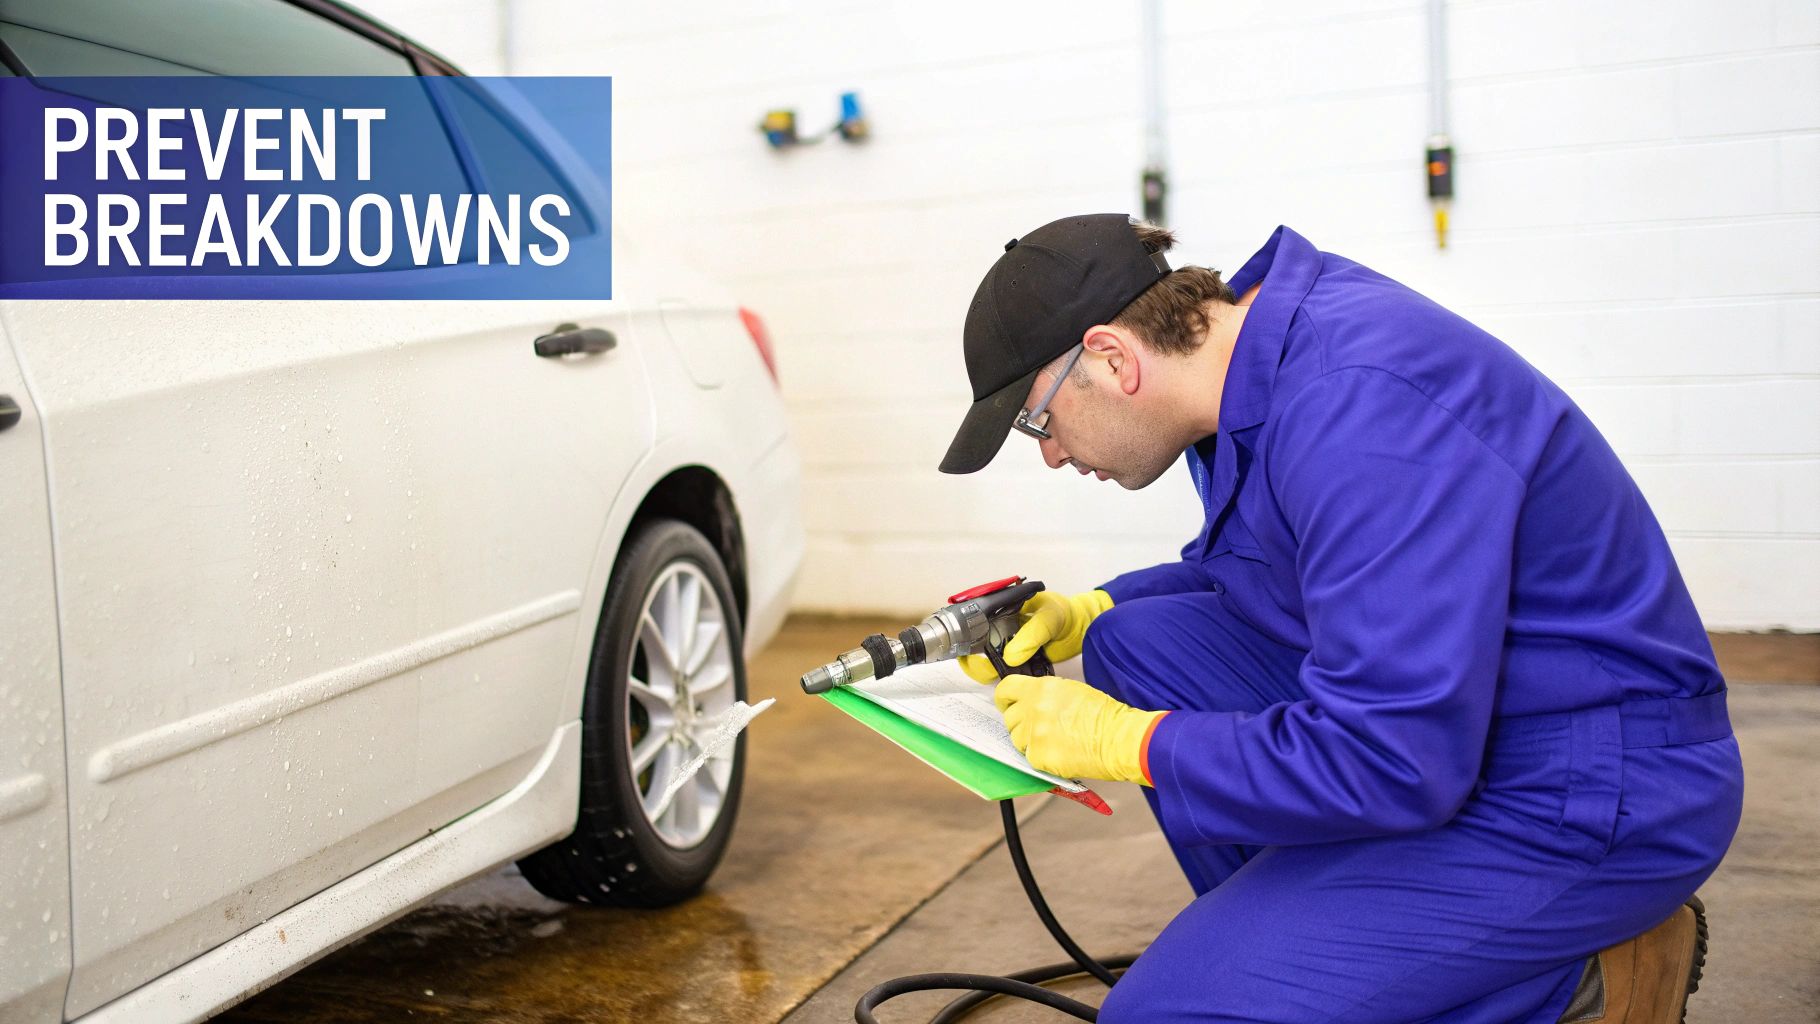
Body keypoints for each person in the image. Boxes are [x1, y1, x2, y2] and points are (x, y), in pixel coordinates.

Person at [941, 213, 1744, 1023]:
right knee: (1135, 644)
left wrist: (1131, 743)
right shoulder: (1259, 363)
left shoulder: (1361, 406)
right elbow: (1279, 570)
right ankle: (1345, 956)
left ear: (1112, 357)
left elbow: (1394, 756)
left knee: (1167, 1015)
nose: (1048, 453)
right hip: (1479, 721)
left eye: (1037, 421)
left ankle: (1573, 980)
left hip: (1588, 785)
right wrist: (1094, 610)